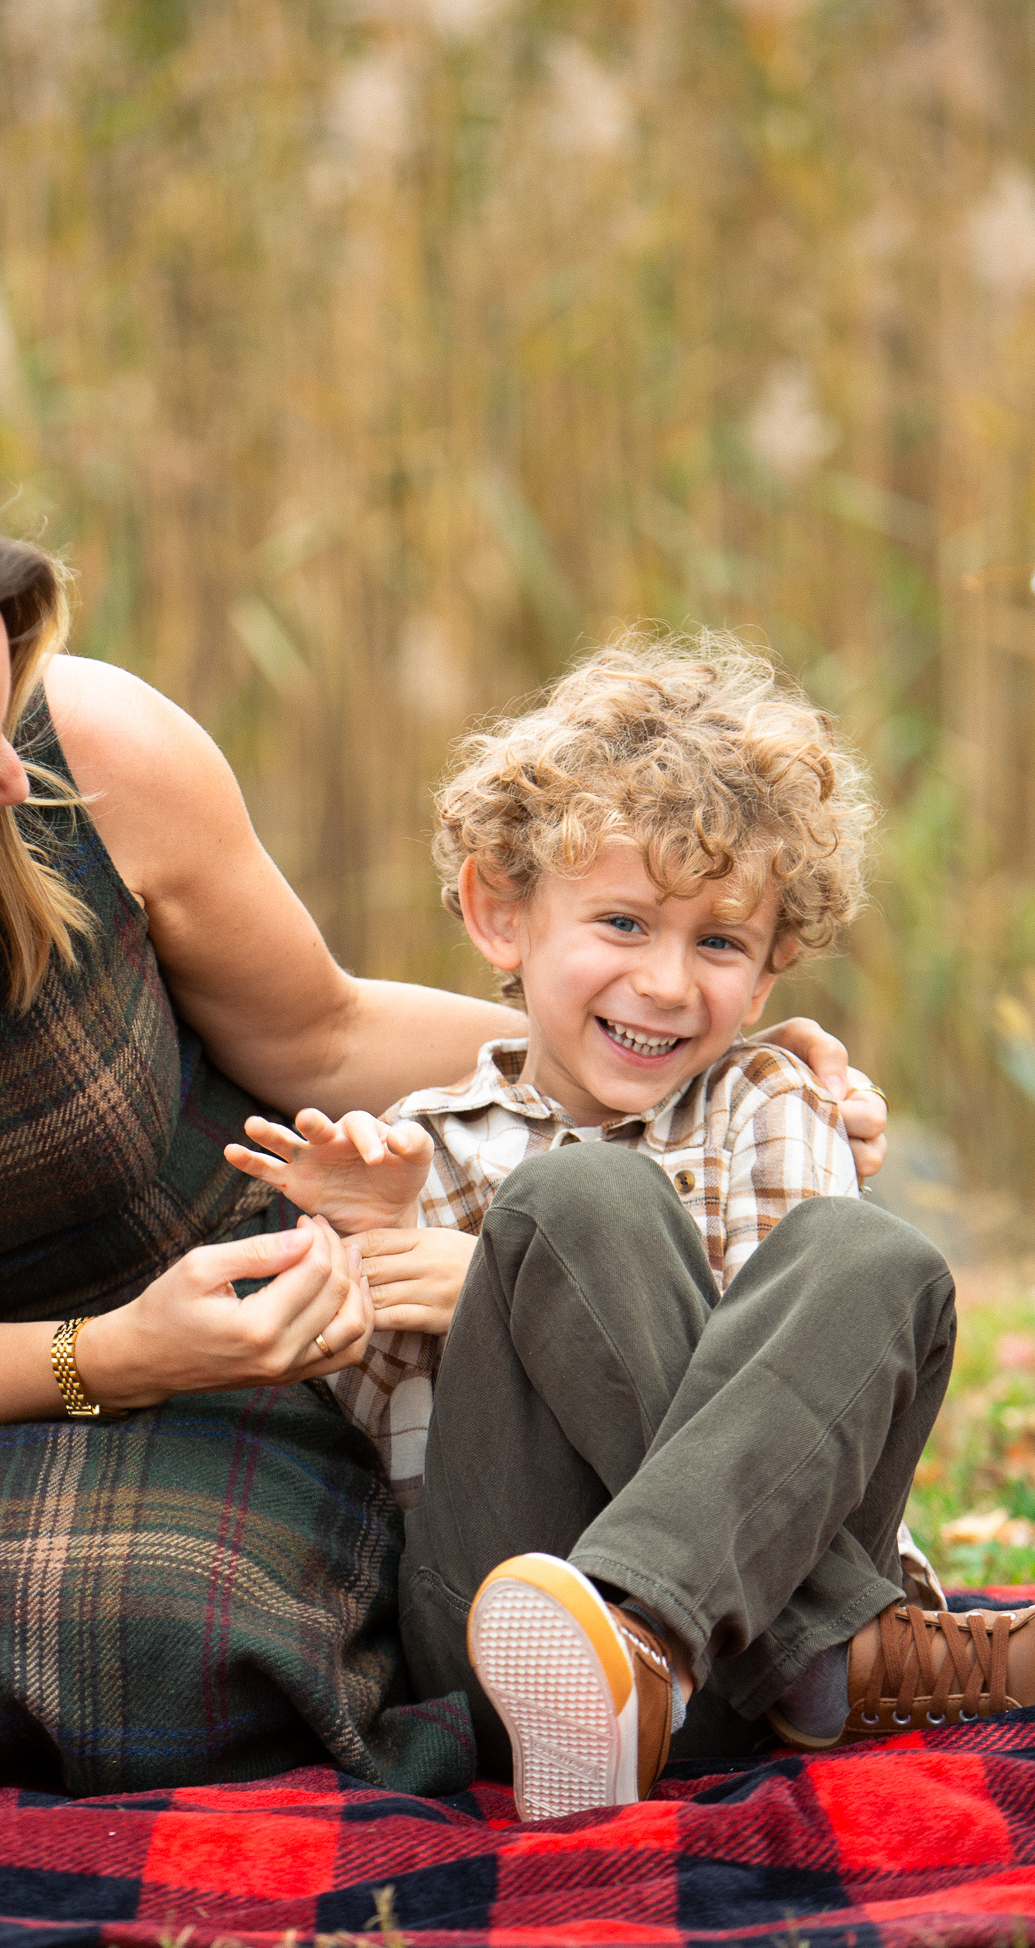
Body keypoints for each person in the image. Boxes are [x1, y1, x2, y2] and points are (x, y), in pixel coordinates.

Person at [0, 465, 883, 1799]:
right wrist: (108, 1356)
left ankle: (750, 1652)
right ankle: (817, 1649)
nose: (12, 776)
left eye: (7, 720)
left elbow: (328, 1036)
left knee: (186, 1640)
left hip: (233, 1344)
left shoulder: (95, 755)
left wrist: (695, 1066)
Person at [226, 641, 1035, 1822]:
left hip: (741, 1618)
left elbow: (804, 1381)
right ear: (500, 913)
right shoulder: (419, 1151)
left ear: (765, 977)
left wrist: (497, 1278)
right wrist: (416, 1267)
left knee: (877, 1256)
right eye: (622, 920)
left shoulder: (774, 1104)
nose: (664, 981)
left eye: (718, 942)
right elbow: (362, 1436)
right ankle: (833, 1651)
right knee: (572, 1200)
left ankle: (657, 1632)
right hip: (517, 1634)